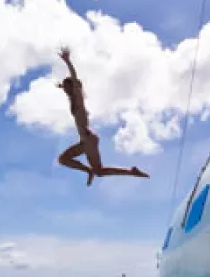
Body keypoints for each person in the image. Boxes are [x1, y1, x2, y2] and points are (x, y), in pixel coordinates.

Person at [55, 48, 150, 186]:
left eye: (66, 88)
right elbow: (69, 86)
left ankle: (91, 171)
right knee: (69, 161)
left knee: (76, 163)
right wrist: (62, 86)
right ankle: (131, 172)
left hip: (88, 140)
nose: (65, 91)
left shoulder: (79, 100)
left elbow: (74, 78)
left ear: (73, 88)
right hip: (85, 142)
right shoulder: (74, 101)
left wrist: (68, 61)